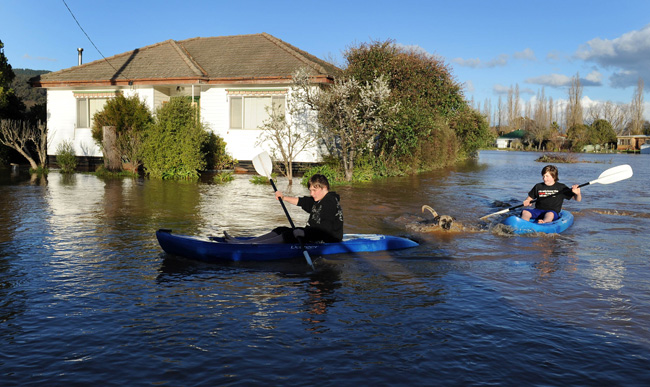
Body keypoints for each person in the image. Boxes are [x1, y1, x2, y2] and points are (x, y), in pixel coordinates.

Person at [224, 174, 343, 244]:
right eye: (310, 190)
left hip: (328, 240)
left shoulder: (330, 202)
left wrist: (303, 233)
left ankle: (250, 246)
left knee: (289, 235)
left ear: (324, 188)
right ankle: (246, 242)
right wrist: (284, 197)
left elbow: (325, 230)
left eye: (314, 190)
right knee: (281, 229)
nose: (312, 193)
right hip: (315, 234)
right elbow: (303, 202)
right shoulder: (320, 199)